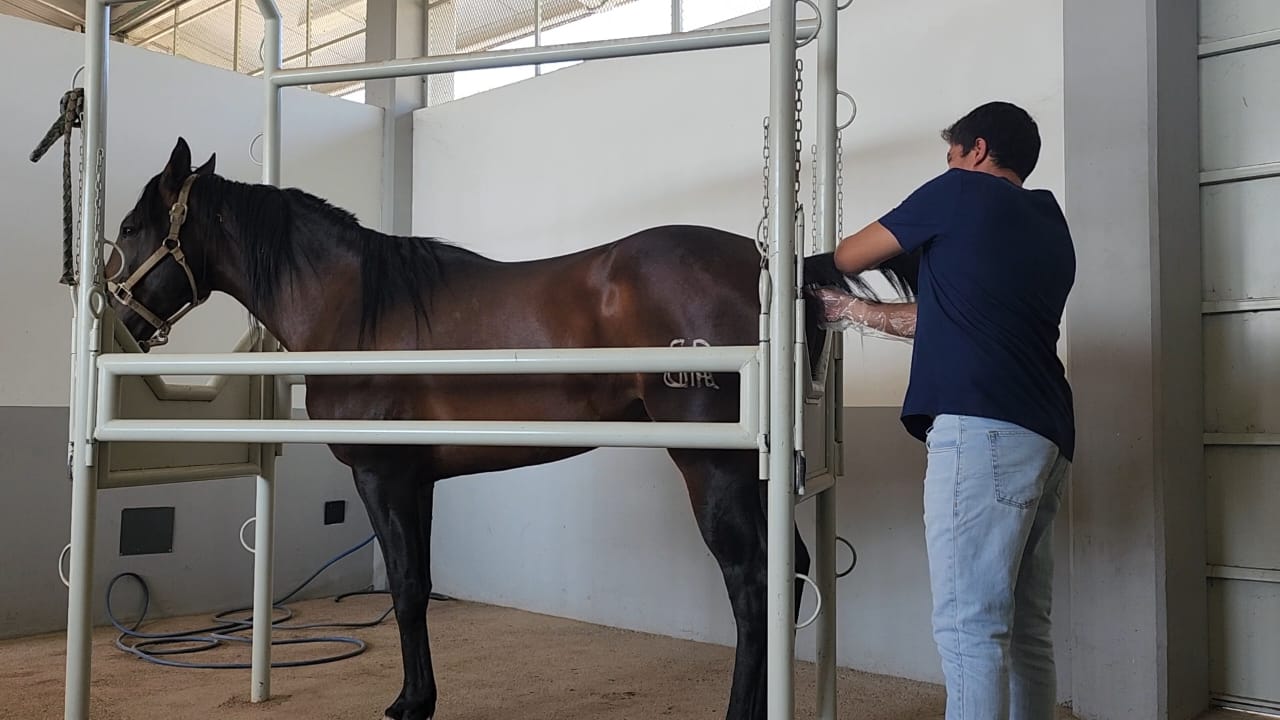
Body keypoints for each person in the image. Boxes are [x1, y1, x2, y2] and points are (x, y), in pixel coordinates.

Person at [819, 101, 1076, 720]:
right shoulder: (1049, 221)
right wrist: (854, 312)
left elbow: (848, 257)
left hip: (980, 429)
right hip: (1047, 432)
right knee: (1026, 628)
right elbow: (943, 318)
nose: (949, 165)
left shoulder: (958, 192)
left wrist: (843, 287)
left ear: (976, 150)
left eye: (952, 154)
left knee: (969, 629)